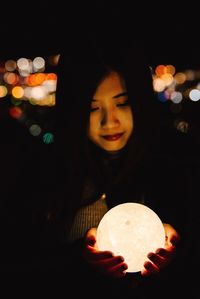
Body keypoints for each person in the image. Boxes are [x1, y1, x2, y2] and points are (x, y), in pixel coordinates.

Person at [28, 42, 195, 296]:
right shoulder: (48, 177)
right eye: (93, 108)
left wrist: (178, 252)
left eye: (122, 103)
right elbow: (25, 268)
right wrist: (79, 259)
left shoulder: (176, 172)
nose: (110, 121)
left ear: (140, 100)